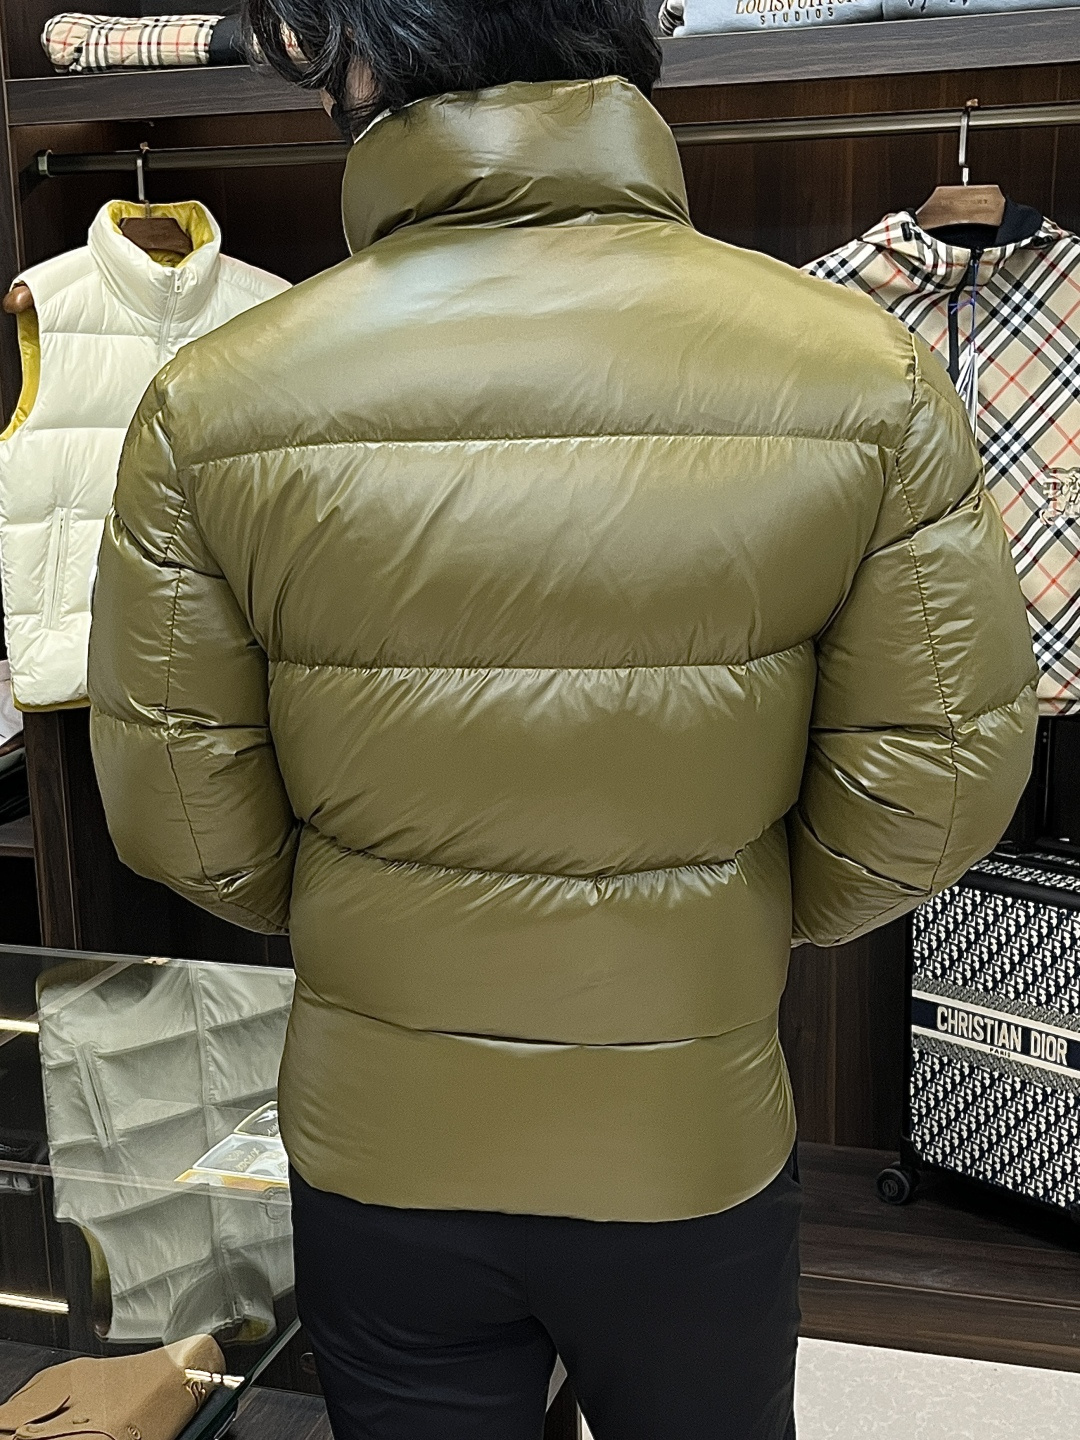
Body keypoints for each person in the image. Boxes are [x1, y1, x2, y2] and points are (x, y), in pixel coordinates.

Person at [86, 1, 1037, 1436]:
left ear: (363, 51)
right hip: (686, 1137)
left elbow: (181, 818)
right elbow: (935, 791)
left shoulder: (210, 401)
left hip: (383, 1142)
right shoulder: (864, 371)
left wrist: (376, 901)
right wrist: (726, 909)